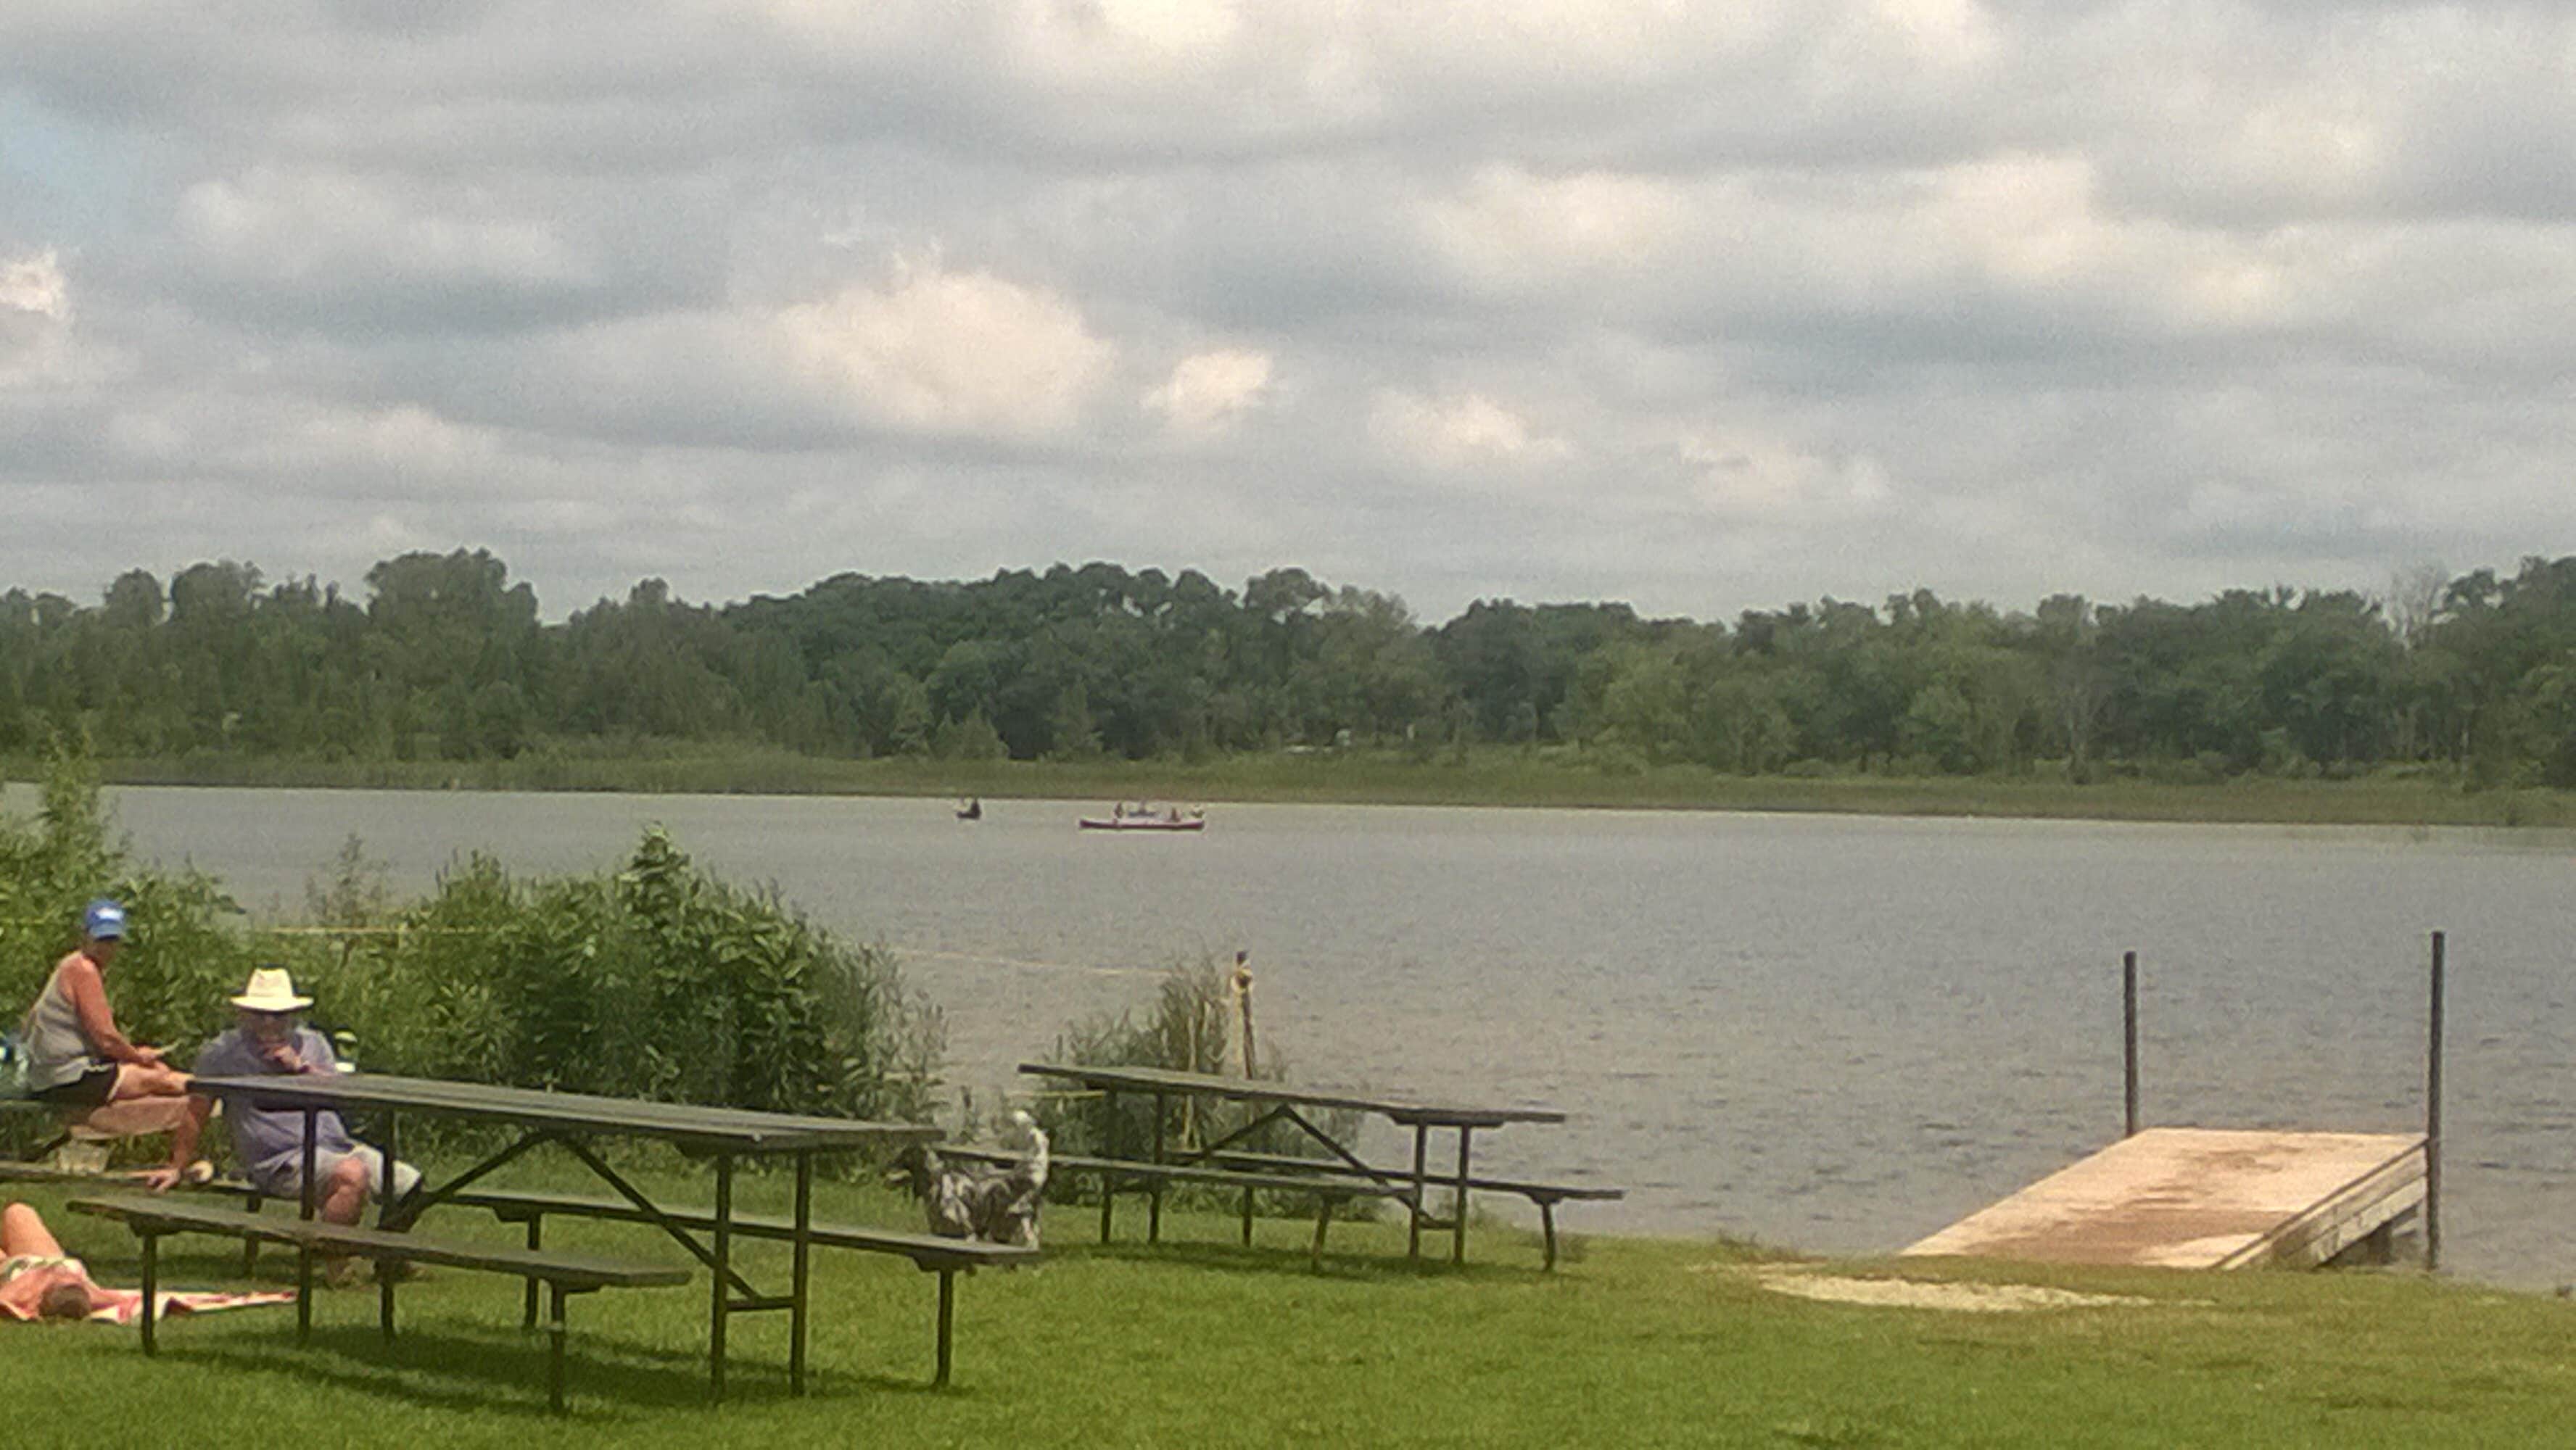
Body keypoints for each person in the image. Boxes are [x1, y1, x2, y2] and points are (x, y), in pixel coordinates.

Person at [193, 967, 420, 1247]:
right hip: (280, 1160)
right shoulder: (223, 1053)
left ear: (291, 1015)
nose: (268, 1023)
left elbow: (342, 1094)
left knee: (410, 1185)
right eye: (259, 1014)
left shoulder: (313, 1044)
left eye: (277, 1015)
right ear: (244, 1015)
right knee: (351, 1175)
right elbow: (196, 1108)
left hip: (336, 1146)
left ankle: (385, 1256)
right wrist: (177, 1165)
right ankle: (337, 1265)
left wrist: (300, 1069)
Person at [19, 899, 209, 1190]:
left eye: (112, 940)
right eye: (101, 940)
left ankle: (190, 1143)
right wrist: (137, 1056)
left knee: (157, 1072)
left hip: (57, 1072)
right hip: (69, 1076)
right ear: (84, 936)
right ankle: (215, 1089)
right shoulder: (83, 970)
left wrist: (134, 1057)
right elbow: (106, 1037)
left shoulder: (69, 966)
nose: (106, 948)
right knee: (160, 1079)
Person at [1, 1201, 115, 1322]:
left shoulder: (25, 1292)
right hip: (44, 1259)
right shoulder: (82, 1286)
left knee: (18, 1212)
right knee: (18, 1212)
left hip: (14, 1269)